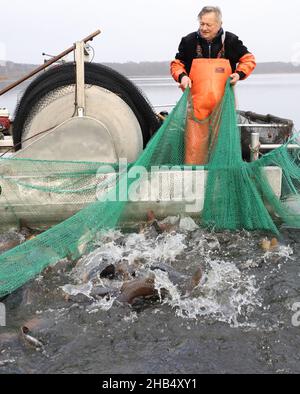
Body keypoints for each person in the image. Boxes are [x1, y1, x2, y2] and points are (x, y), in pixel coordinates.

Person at [171, 6, 256, 165]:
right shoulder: (188, 41)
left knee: (222, 148)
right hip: (196, 106)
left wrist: (239, 74)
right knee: (194, 149)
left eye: (208, 25)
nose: (204, 28)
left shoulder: (231, 41)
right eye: (201, 24)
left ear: (219, 24)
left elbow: (249, 60)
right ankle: (194, 178)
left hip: (223, 106)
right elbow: (177, 65)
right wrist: (182, 77)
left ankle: (221, 179)